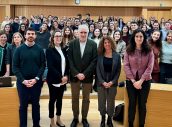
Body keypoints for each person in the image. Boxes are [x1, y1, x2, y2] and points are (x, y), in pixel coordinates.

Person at [13, 27, 45, 127]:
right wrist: (23, 80)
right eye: (29, 34)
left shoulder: (39, 49)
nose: (31, 35)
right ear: (25, 36)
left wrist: (36, 79)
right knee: (23, 106)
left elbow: (43, 65)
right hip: (22, 83)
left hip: (36, 83)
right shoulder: (19, 50)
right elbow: (15, 67)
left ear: (35, 36)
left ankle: (36, 124)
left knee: (36, 105)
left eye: (32, 34)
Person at [68, 24, 97, 127]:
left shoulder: (93, 44)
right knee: (74, 98)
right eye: (81, 32)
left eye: (85, 32)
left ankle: (84, 118)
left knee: (86, 99)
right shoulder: (71, 44)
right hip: (74, 76)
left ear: (88, 33)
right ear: (78, 33)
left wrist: (84, 73)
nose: (83, 34)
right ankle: (75, 118)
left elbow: (94, 61)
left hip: (87, 76)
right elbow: (70, 60)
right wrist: (76, 73)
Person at [124, 29, 154, 127]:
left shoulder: (149, 50)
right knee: (132, 103)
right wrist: (133, 81)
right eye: (137, 36)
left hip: (145, 81)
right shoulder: (128, 50)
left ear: (144, 38)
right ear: (133, 38)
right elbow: (126, 66)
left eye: (141, 36)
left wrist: (140, 81)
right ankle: (130, 124)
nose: (139, 38)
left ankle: (141, 125)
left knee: (142, 104)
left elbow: (150, 67)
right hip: (130, 81)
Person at [96, 36, 121, 127]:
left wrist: (112, 82)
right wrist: (102, 82)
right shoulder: (99, 55)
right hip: (101, 82)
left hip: (112, 83)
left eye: (108, 42)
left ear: (112, 43)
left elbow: (118, 71)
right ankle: (103, 118)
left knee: (111, 101)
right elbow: (97, 70)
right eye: (105, 43)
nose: (107, 44)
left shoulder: (117, 55)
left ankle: (109, 119)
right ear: (103, 44)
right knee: (101, 101)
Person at [46, 30, 69, 127]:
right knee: (52, 100)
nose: (58, 38)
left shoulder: (63, 49)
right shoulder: (49, 50)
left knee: (60, 100)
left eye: (60, 36)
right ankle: (52, 121)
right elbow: (51, 67)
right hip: (54, 80)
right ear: (52, 38)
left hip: (63, 80)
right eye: (56, 36)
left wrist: (66, 76)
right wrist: (61, 77)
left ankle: (58, 119)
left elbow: (67, 65)